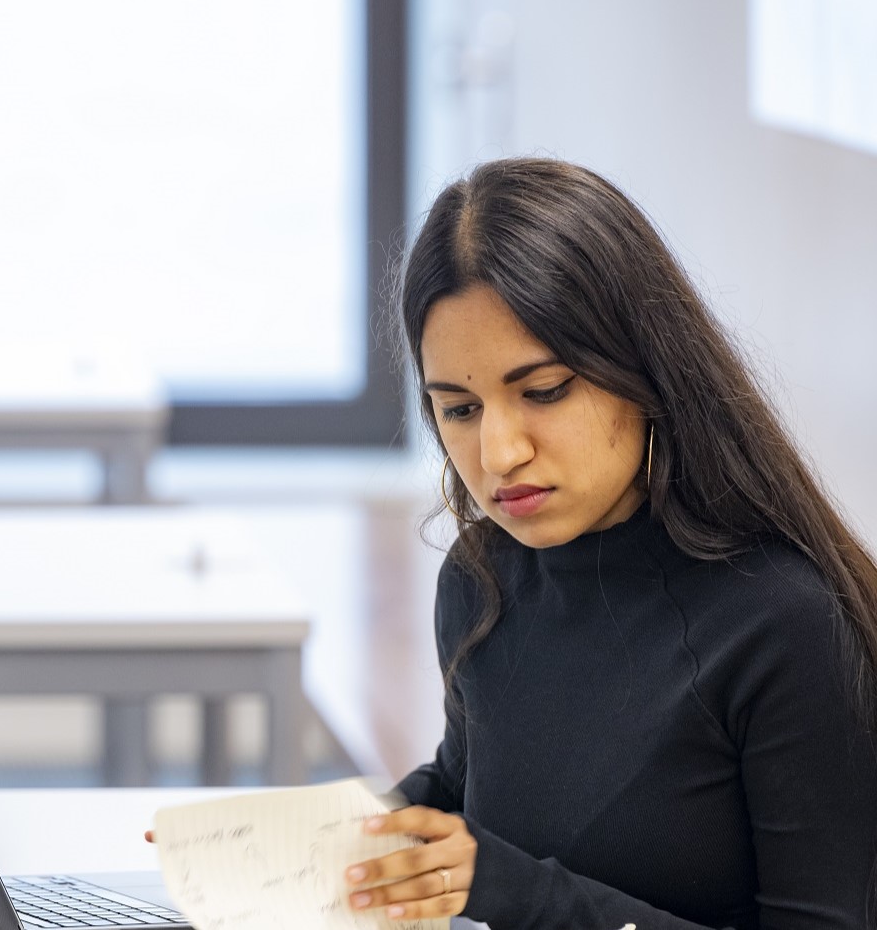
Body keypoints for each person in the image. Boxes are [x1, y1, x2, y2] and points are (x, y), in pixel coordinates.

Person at [340, 157, 877, 927]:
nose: (498, 453)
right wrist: (319, 846)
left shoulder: (787, 626)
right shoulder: (480, 579)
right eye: (457, 409)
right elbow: (468, 787)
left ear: (643, 369)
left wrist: (514, 891)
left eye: (544, 392)